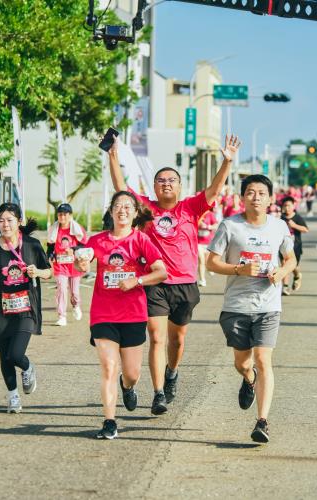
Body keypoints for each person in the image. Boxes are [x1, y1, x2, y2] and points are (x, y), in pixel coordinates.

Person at [109, 134, 241, 415]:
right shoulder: (145, 210)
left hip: (185, 285)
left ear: (180, 187)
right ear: (153, 186)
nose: (166, 184)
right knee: (156, 337)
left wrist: (227, 162)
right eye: (161, 181)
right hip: (154, 283)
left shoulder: (190, 208)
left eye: (171, 180)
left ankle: (172, 372)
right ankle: (158, 393)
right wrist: (112, 156)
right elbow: (121, 191)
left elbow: (214, 191)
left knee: (177, 340)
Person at [207, 174, 296, 443]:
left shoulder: (279, 227)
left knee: (263, 359)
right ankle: (248, 379)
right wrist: (239, 269)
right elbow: (211, 262)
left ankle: (262, 421)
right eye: (250, 192)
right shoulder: (230, 226)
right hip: (236, 305)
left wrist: (282, 272)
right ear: (242, 197)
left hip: (268, 306)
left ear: (270, 199)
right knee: (243, 363)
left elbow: (290, 259)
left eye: (261, 193)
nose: (255, 197)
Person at [75, 191, 167, 439]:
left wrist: (136, 280)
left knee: (132, 374)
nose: (122, 210)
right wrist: (82, 264)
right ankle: (109, 421)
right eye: (118, 205)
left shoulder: (141, 241)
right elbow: (84, 259)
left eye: (128, 206)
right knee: (109, 366)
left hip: (133, 315)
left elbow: (161, 272)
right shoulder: (98, 240)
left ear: (135, 213)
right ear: (111, 211)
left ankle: (128, 387)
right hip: (103, 314)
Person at [0, 203, 51, 413]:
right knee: (4, 356)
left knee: (15, 354)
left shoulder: (32, 244)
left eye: (9, 220)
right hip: (2, 310)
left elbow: (49, 272)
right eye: (1, 220)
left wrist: (37, 272)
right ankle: (13, 397)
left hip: (25, 308)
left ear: (19, 222)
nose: (5, 224)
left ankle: (27, 367)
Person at [47, 203, 87, 327]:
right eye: (60, 214)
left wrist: (73, 249)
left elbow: (84, 245)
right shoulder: (54, 229)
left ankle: (76, 305)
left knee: (74, 291)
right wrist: (50, 256)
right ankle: (61, 316)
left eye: (65, 214)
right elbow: (50, 246)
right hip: (60, 265)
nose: (62, 217)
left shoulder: (77, 229)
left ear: (70, 215)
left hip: (74, 264)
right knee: (61, 289)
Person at [281, 196, 309, 295]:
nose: (287, 208)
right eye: (285, 206)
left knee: (294, 266)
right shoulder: (281, 217)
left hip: (296, 246)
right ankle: (285, 287)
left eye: (289, 205)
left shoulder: (297, 217)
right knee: (285, 264)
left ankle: (297, 275)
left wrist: (294, 226)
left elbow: (306, 229)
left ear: (293, 206)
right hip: (283, 246)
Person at [197, 209, 218, 287]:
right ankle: (202, 280)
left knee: (206, 261)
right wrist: (199, 224)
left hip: (208, 242)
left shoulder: (210, 214)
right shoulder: (198, 213)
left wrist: (208, 226)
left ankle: (209, 268)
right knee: (201, 261)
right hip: (198, 242)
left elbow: (216, 225)